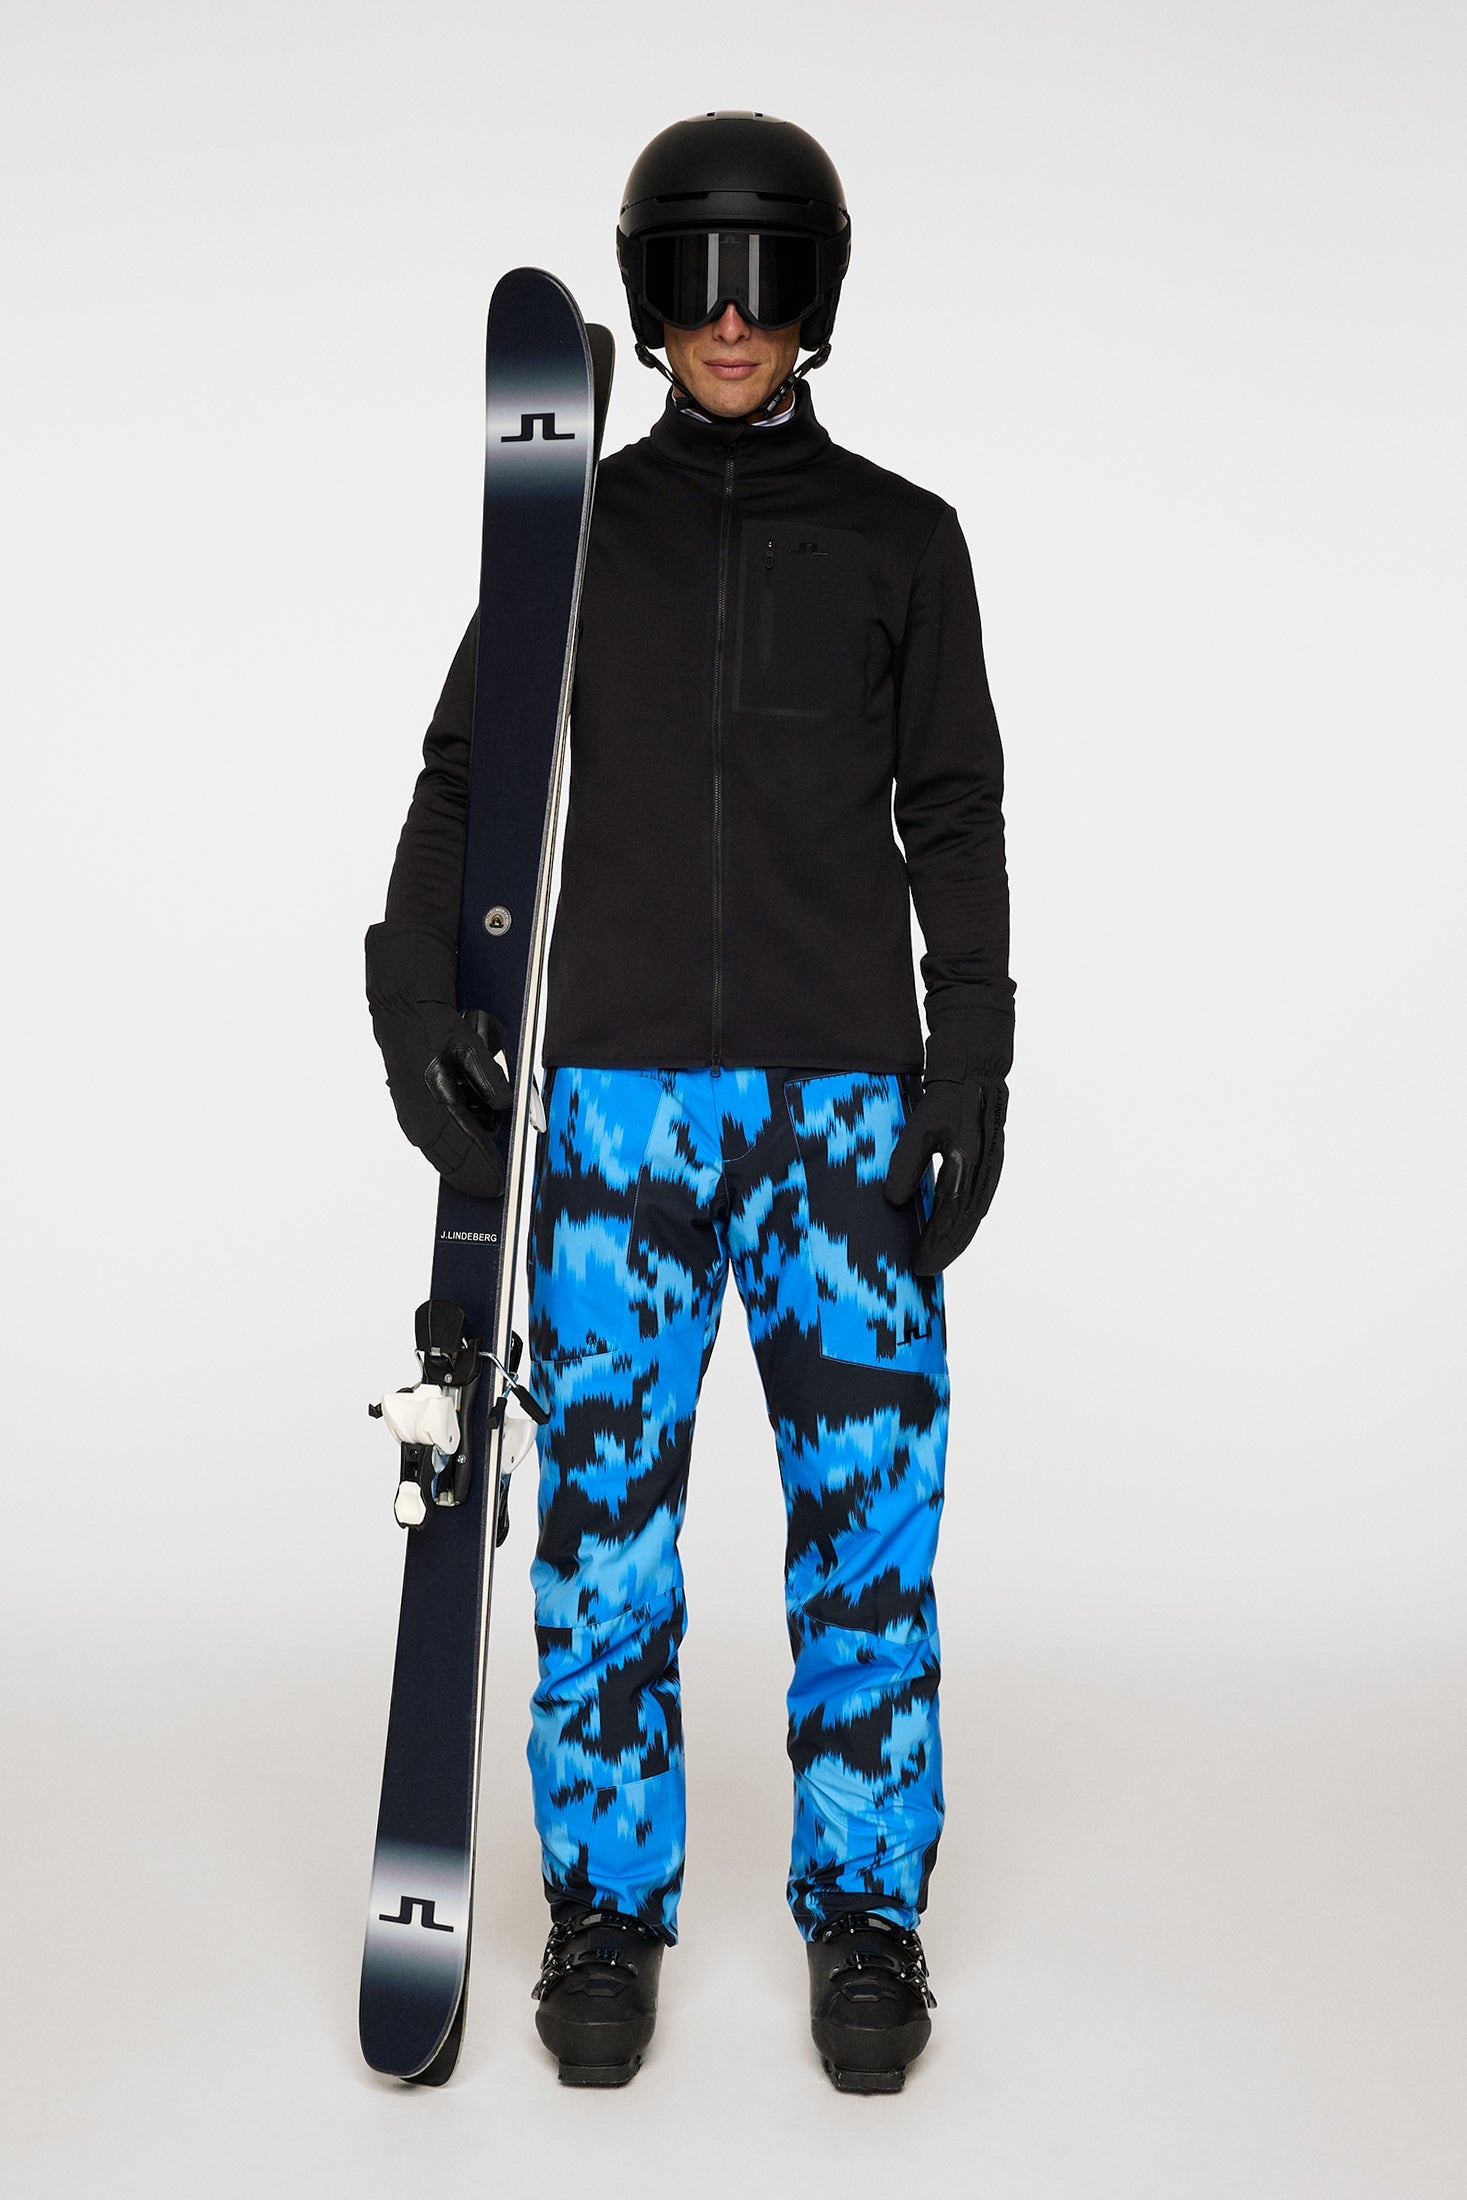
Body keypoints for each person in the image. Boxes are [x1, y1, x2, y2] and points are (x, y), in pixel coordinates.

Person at [365, 110, 1014, 2095]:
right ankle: (605, 1911)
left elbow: (954, 812)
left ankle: (866, 1914)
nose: (733, 323)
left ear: (819, 299)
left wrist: (970, 1055)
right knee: (602, 1540)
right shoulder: (569, 537)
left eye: (770, 281)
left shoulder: (900, 538)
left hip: (843, 1109)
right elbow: (465, 779)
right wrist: (411, 990)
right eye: (697, 283)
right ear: (648, 303)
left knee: (867, 1532)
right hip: (617, 1113)